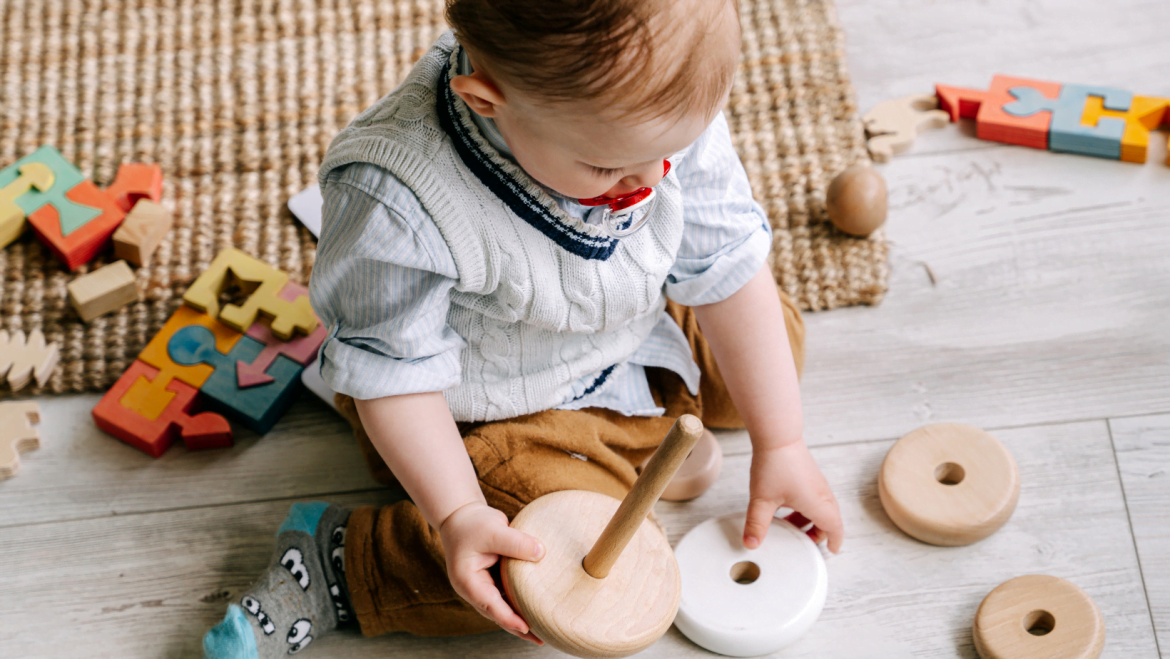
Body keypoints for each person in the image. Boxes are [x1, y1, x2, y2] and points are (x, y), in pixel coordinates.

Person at [204, 0, 843, 656]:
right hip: (491, 406)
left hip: (627, 324)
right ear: (486, 101)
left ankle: (651, 419)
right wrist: (456, 514)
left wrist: (783, 441)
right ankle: (340, 563)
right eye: (609, 168)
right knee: (544, 563)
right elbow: (394, 377)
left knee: (774, 346)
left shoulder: (649, 110)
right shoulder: (396, 198)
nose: (653, 179)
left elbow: (725, 262)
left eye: (671, 151)